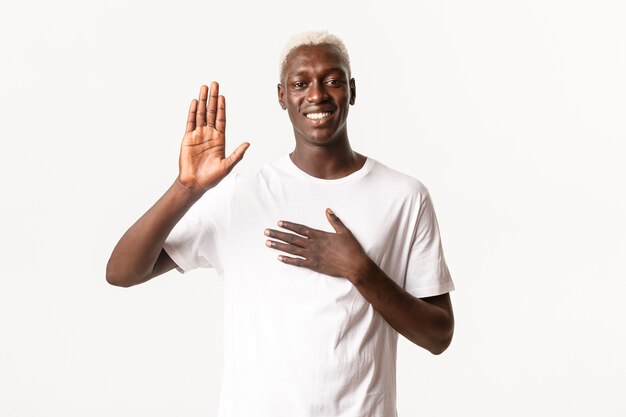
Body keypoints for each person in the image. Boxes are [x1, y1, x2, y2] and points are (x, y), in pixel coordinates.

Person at [107, 31, 455, 417]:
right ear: (281, 96)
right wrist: (186, 188)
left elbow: (438, 335)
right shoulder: (242, 195)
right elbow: (122, 272)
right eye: (300, 83)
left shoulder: (404, 195)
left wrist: (360, 270)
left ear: (352, 90)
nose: (317, 95)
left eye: (333, 80)